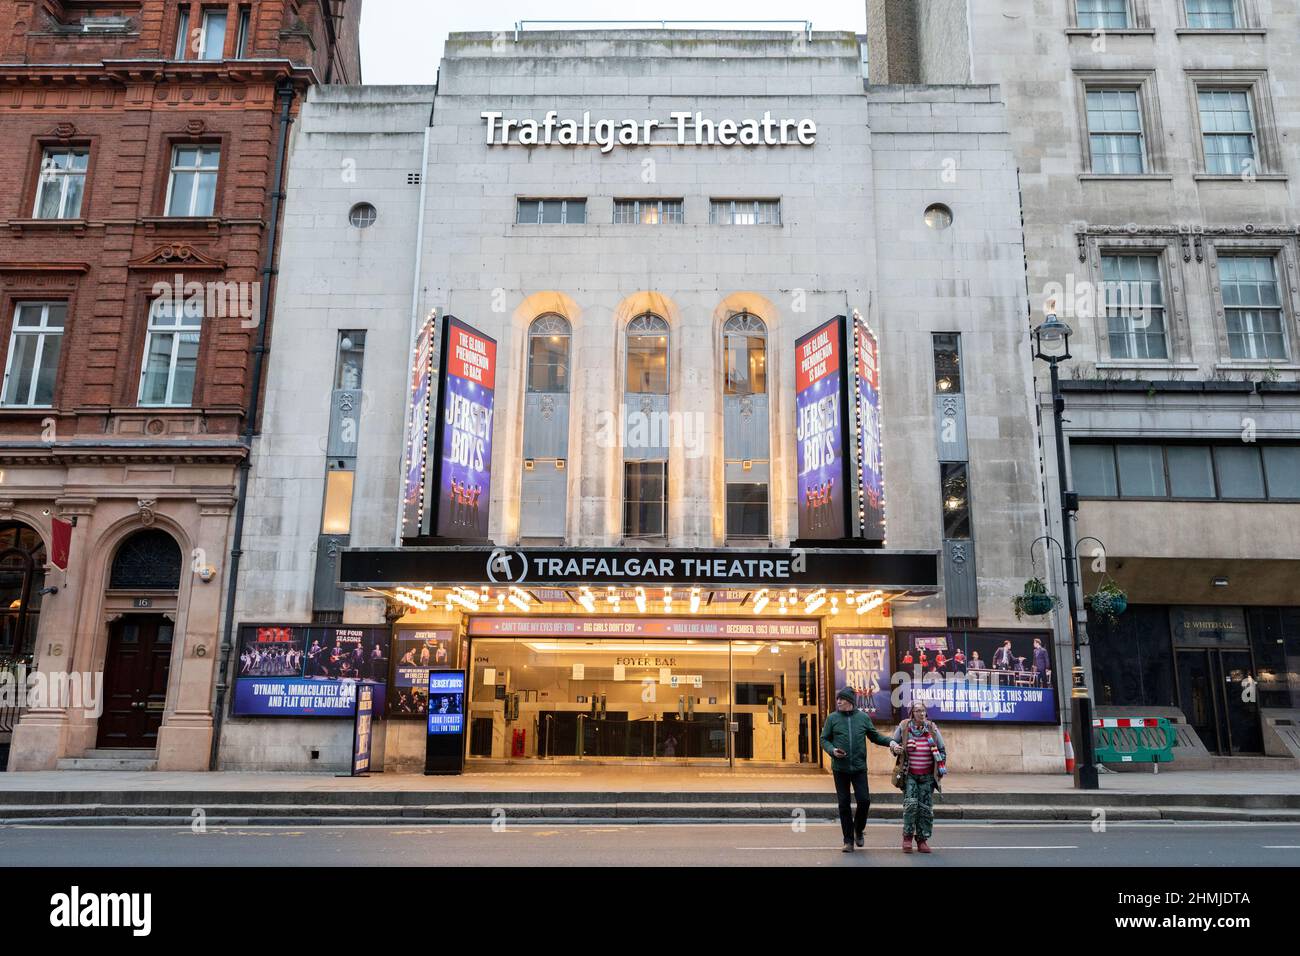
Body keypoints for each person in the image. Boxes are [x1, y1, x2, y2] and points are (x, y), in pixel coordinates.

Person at [821, 686, 894, 853]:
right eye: (838, 699)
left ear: (850, 702)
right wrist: (832, 751)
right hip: (840, 769)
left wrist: (891, 742)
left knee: (864, 801)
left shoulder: (863, 718)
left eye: (842, 699)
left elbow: (875, 736)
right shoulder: (832, 718)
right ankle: (848, 841)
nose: (838, 701)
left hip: (859, 768)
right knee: (844, 804)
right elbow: (824, 739)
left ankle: (858, 829)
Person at [889, 700, 947, 854]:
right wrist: (897, 747)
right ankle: (907, 838)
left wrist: (941, 767)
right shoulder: (904, 727)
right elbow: (893, 742)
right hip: (910, 775)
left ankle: (922, 840)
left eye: (923, 710)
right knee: (910, 806)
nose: (921, 713)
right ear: (911, 713)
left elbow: (941, 749)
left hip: (927, 776)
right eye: (917, 711)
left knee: (926, 809)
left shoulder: (932, 728)